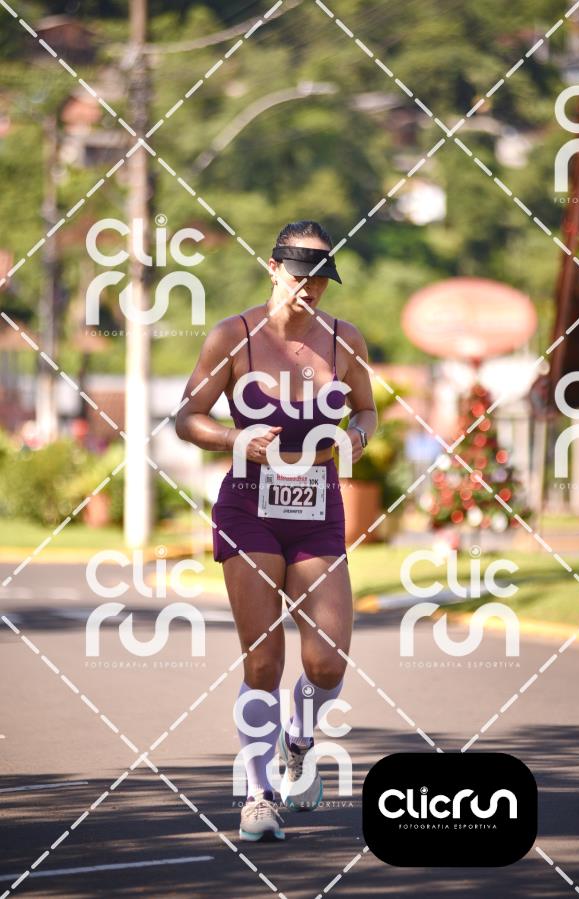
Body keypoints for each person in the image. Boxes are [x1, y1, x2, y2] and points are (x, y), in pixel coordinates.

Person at [175, 220, 377, 841]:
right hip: (249, 507)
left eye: (320, 277)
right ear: (272, 267)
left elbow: (367, 409)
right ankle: (259, 796)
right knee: (263, 661)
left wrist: (356, 437)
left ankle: (299, 739)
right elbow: (187, 417)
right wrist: (235, 439)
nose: (308, 287)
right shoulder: (233, 336)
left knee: (327, 660)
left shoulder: (344, 339)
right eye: (298, 273)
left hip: (318, 509)